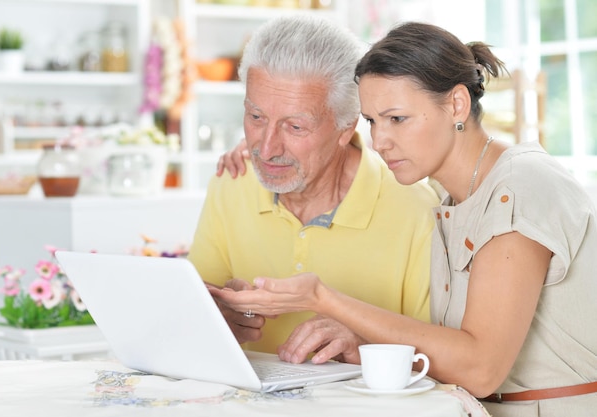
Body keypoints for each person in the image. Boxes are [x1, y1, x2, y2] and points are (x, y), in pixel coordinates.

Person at [210, 21, 597, 417]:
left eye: (397, 119)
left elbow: (480, 369)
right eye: (372, 121)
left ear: (457, 105)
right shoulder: (456, 200)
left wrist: (321, 297)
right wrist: (271, 142)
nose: (380, 141)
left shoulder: (518, 188)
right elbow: (451, 351)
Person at [186, 15, 439, 362]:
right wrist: (215, 316)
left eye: (294, 126)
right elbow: (187, 314)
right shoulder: (231, 182)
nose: (268, 147)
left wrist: (362, 346)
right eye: (256, 117)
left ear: (344, 128)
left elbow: (442, 362)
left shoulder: (415, 209)